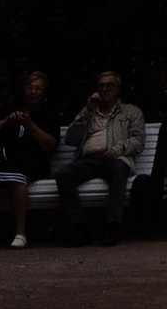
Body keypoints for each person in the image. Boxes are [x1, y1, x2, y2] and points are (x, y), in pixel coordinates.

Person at [0, 69, 56, 249]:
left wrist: (30, 125)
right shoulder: (12, 112)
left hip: (33, 163)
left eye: (38, 88)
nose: (33, 92)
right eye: (30, 87)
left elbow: (51, 145)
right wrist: (6, 121)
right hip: (6, 161)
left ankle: (21, 233)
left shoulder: (48, 115)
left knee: (17, 176)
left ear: (44, 93)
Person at [54, 71, 146, 241]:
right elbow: (70, 139)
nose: (104, 89)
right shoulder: (90, 112)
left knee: (119, 169)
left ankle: (113, 225)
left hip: (115, 158)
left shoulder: (131, 112)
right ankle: (78, 227)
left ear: (118, 89)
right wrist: (87, 109)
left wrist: (117, 150)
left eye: (109, 85)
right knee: (63, 174)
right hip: (88, 160)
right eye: (101, 86)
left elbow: (137, 141)